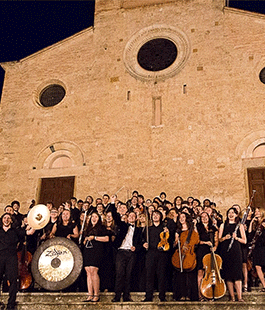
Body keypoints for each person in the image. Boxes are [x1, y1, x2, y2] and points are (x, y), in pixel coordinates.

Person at [142, 210, 175, 302]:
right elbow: (143, 240)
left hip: (162, 254)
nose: (155, 216)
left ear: (161, 217)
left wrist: (169, 233)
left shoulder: (165, 228)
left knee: (162, 275)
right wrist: (144, 244)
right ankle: (148, 296)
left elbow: (171, 241)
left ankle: (162, 296)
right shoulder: (148, 229)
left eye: (157, 215)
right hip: (151, 253)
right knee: (149, 275)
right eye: (153, 215)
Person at [112, 209, 143, 302]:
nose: (132, 217)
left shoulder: (138, 230)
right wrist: (113, 203)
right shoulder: (123, 225)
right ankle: (117, 296)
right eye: (130, 216)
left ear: (136, 218)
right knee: (119, 274)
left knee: (129, 275)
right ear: (127, 218)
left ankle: (126, 296)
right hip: (121, 252)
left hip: (131, 253)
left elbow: (141, 243)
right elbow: (116, 217)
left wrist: (136, 248)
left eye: (134, 216)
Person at [218, 207, 246, 302]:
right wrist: (225, 238)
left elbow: (244, 241)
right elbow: (219, 239)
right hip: (226, 252)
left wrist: (236, 238)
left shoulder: (240, 226)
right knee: (228, 275)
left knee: (237, 275)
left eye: (233, 213)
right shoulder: (223, 225)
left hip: (236, 252)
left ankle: (239, 297)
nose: (231, 214)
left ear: (236, 215)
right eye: (229, 212)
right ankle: (232, 297)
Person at [172, 212, 199, 301]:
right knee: (180, 276)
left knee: (189, 276)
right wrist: (176, 242)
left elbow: (197, 241)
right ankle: (181, 294)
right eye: (180, 217)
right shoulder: (178, 231)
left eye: (183, 217)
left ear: (187, 218)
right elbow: (175, 244)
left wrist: (194, 227)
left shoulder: (193, 230)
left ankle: (189, 295)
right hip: (180, 253)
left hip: (189, 254)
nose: (181, 218)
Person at [82, 211, 109, 302]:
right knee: (88, 271)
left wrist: (94, 238)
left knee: (94, 270)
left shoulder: (101, 227)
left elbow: (107, 238)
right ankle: (90, 294)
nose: (94, 218)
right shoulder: (87, 228)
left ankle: (96, 294)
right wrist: (85, 240)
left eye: (96, 217)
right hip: (87, 250)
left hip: (96, 250)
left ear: (99, 219)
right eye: (92, 217)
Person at [0, 213, 22, 310]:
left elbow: (27, 234)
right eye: (4, 218)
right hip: (0, 256)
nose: (6, 219)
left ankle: (11, 304)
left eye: (8, 218)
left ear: (11, 221)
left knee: (13, 280)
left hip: (11, 256)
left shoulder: (15, 231)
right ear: (2, 220)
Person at [196, 212, 219, 301]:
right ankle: (200, 295)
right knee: (200, 273)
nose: (204, 218)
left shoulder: (213, 228)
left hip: (211, 251)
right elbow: (196, 240)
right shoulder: (198, 227)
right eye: (202, 217)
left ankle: (209, 294)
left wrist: (215, 247)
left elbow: (216, 239)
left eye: (206, 216)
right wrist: (205, 243)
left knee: (210, 273)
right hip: (201, 251)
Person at [248, 207, 265, 291]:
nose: (256, 212)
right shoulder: (256, 224)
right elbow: (250, 234)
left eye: (258, 211)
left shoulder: (264, 223)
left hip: (263, 247)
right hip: (257, 249)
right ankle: (264, 286)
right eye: (256, 211)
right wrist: (251, 222)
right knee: (257, 267)